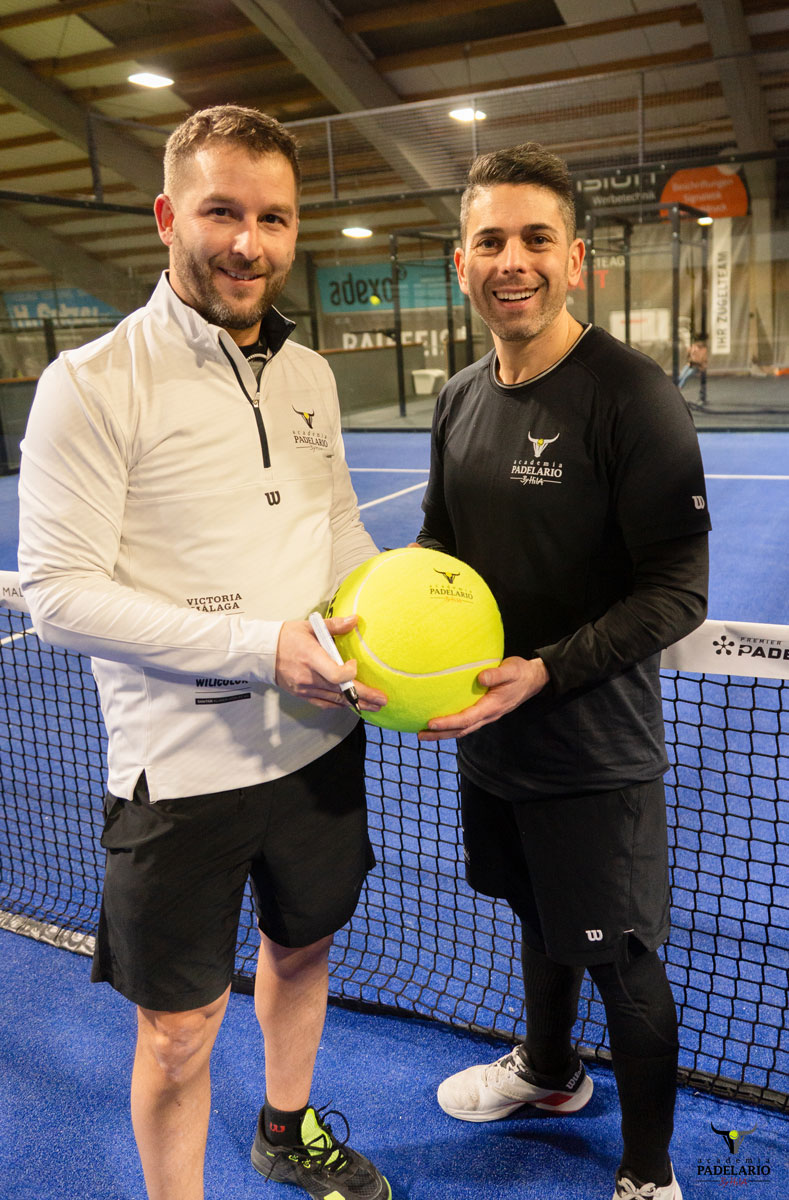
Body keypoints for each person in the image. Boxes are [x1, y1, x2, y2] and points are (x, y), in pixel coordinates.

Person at [17, 105, 390, 1200]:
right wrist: (260, 648)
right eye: (223, 211)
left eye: (274, 217)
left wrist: (394, 633)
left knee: (304, 951)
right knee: (179, 1035)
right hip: (178, 777)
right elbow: (59, 598)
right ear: (169, 213)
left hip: (319, 749)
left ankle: (286, 1125)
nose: (249, 241)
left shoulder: (311, 376)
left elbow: (336, 534)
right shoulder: (91, 384)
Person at [416, 143, 711, 1200]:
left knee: (620, 954)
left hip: (593, 750)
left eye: (536, 238)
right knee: (536, 915)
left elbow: (678, 592)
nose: (514, 260)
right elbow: (436, 560)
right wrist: (385, 648)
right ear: (462, 261)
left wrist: (543, 671)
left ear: (574, 258)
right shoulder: (457, 401)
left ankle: (647, 1173)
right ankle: (549, 1073)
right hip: (489, 734)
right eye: (490, 239)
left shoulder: (633, 398)